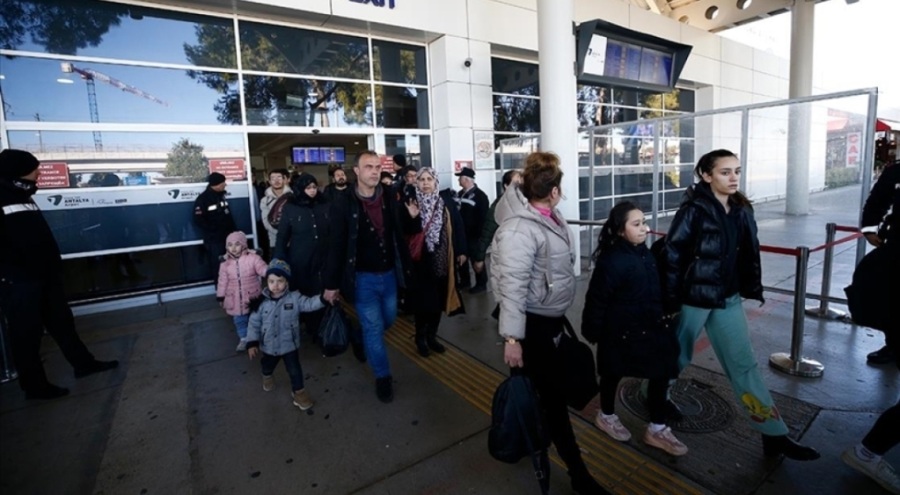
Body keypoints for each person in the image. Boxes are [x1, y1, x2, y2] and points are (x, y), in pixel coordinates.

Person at [662, 149, 819, 461]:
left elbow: (747, 252)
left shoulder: (742, 209)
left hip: (728, 298)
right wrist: (669, 301)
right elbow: (672, 255)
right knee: (676, 357)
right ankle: (654, 397)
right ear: (706, 175)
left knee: (743, 364)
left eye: (737, 171)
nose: (733, 177)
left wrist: (750, 285)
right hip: (694, 297)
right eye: (725, 172)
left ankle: (773, 433)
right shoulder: (693, 210)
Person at [491, 152, 607, 494]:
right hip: (530, 329)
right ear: (553, 191)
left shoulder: (547, 217)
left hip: (546, 322)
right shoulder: (519, 229)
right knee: (551, 402)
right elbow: (511, 284)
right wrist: (513, 339)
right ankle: (577, 474)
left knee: (540, 396)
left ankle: (532, 444)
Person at [0, 149, 118, 400]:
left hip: (45, 276)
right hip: (20, 280)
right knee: (26, 335)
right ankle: (35, 386)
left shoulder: (23, 195)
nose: (39, 173)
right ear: (18, 171)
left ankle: (83, 364)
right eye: (35, 169)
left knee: (63, 323)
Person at [581, 202, 686, 456]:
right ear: (620, 230)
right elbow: (597, 298)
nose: (645, 229)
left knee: (661, 371)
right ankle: (606, 415)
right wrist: (593, 329)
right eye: (636, 224)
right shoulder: (613, 260)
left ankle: (657, 428)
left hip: (650, 327)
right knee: (612, 373)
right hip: (621, 331)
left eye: (645, 223)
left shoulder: (644, 253)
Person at [322, 151, 420, 403]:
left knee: (387, 321)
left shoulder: (389, 196)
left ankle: (358, 336)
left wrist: (413, 217)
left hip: (389, 275)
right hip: (362, 278)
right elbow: (335, 246)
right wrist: (331, 284)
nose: (375, 171)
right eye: (369, 167)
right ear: (357, 171)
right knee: (375, 329)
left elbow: (404, 231)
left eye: (378, 167)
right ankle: (383, 377)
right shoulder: (342, 203)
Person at [403, 167, 467, 357]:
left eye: (429, 179)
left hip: (442, 260)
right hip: (421, 262)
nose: (425, 183)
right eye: (421, 179)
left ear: (435, 181)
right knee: (424, 303)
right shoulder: (411, 202)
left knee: (438, 301)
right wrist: (413, 218)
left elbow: (457, 225)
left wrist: (462, 250)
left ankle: (432, 336)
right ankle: (420, 338)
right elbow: (405, 233)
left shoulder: (444, 202)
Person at [246, 259, 325, 411]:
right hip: (269, 346)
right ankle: (267, 374)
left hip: (290, 345)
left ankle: (299, 393)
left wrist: (323, 299)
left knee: (295, 370)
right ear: (266, 282)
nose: (275, 285)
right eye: (271, 281)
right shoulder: (261, 303)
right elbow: (253, 324)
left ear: (287, 282)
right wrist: (252, 342)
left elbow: (309, 304)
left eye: (280, 281)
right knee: (268, 364)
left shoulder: (295, 298)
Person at [274, 173, 330, 341]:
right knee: (306, 293)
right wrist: (278, 260)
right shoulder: (291, 207)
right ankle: (310, 325)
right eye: (308, 188)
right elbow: (282, 236)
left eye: (314, 187)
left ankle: (323, 326)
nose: (312, 191)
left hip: (323, 259)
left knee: (324, 292)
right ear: (300, 189)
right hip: (301, 260)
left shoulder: (324, 204)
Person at [859, 160, 900, 365]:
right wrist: (869, 228)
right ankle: (893, 345)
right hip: (896, 248)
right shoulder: (897, 171)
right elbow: (877, 200)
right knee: (891, 301)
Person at [216, 231, 268, 352]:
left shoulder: (253, 258)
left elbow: (262, 269)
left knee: (255, 319)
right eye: (230, 245)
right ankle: (244, 339)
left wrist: (271, 272)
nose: (233, 248)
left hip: (252, 296)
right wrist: (221, 297)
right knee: (240, 320)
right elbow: (222, 281)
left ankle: (257, 338)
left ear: (244, 245)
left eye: (237, 244)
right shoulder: (225, 263)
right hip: (234, 298)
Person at [471, 169, 521, 290]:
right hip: (507, 256)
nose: (520, 186)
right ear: (506, 186)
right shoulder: (500, 205)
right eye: (516, 183)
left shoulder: (525, 203)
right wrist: (479, 258)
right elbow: (487, 231)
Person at [193, 172, 236, 280]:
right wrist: (214, 230)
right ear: (216, 184)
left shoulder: (220, 196)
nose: (225, 185)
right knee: (218, 266)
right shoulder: (203, 199)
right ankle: (221, 292)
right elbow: (199, 220)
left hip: (227, 238)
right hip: (215, 240)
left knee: (230, 265)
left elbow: (227, 215)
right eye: (223, 182)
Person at [455, 167, 489, 292]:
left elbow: (483, 217)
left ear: (466, 180)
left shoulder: (480, 196)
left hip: (474, 235)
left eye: (460, 178)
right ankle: (465, 282)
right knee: (461, 260)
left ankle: (481, 284)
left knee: (477, 260)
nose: (459, 180)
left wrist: (480, 235)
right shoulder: (459, 194)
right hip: (461, 235)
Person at [260, 168, 292, 251]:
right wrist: (281, 234)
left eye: (279, 177)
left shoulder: (293, 197)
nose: (276, 181)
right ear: (269, 181)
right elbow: (266, 222)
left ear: (284, 179)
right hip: (275, 241)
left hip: (294, 240)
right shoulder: (265, 200)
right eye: (273, 178)